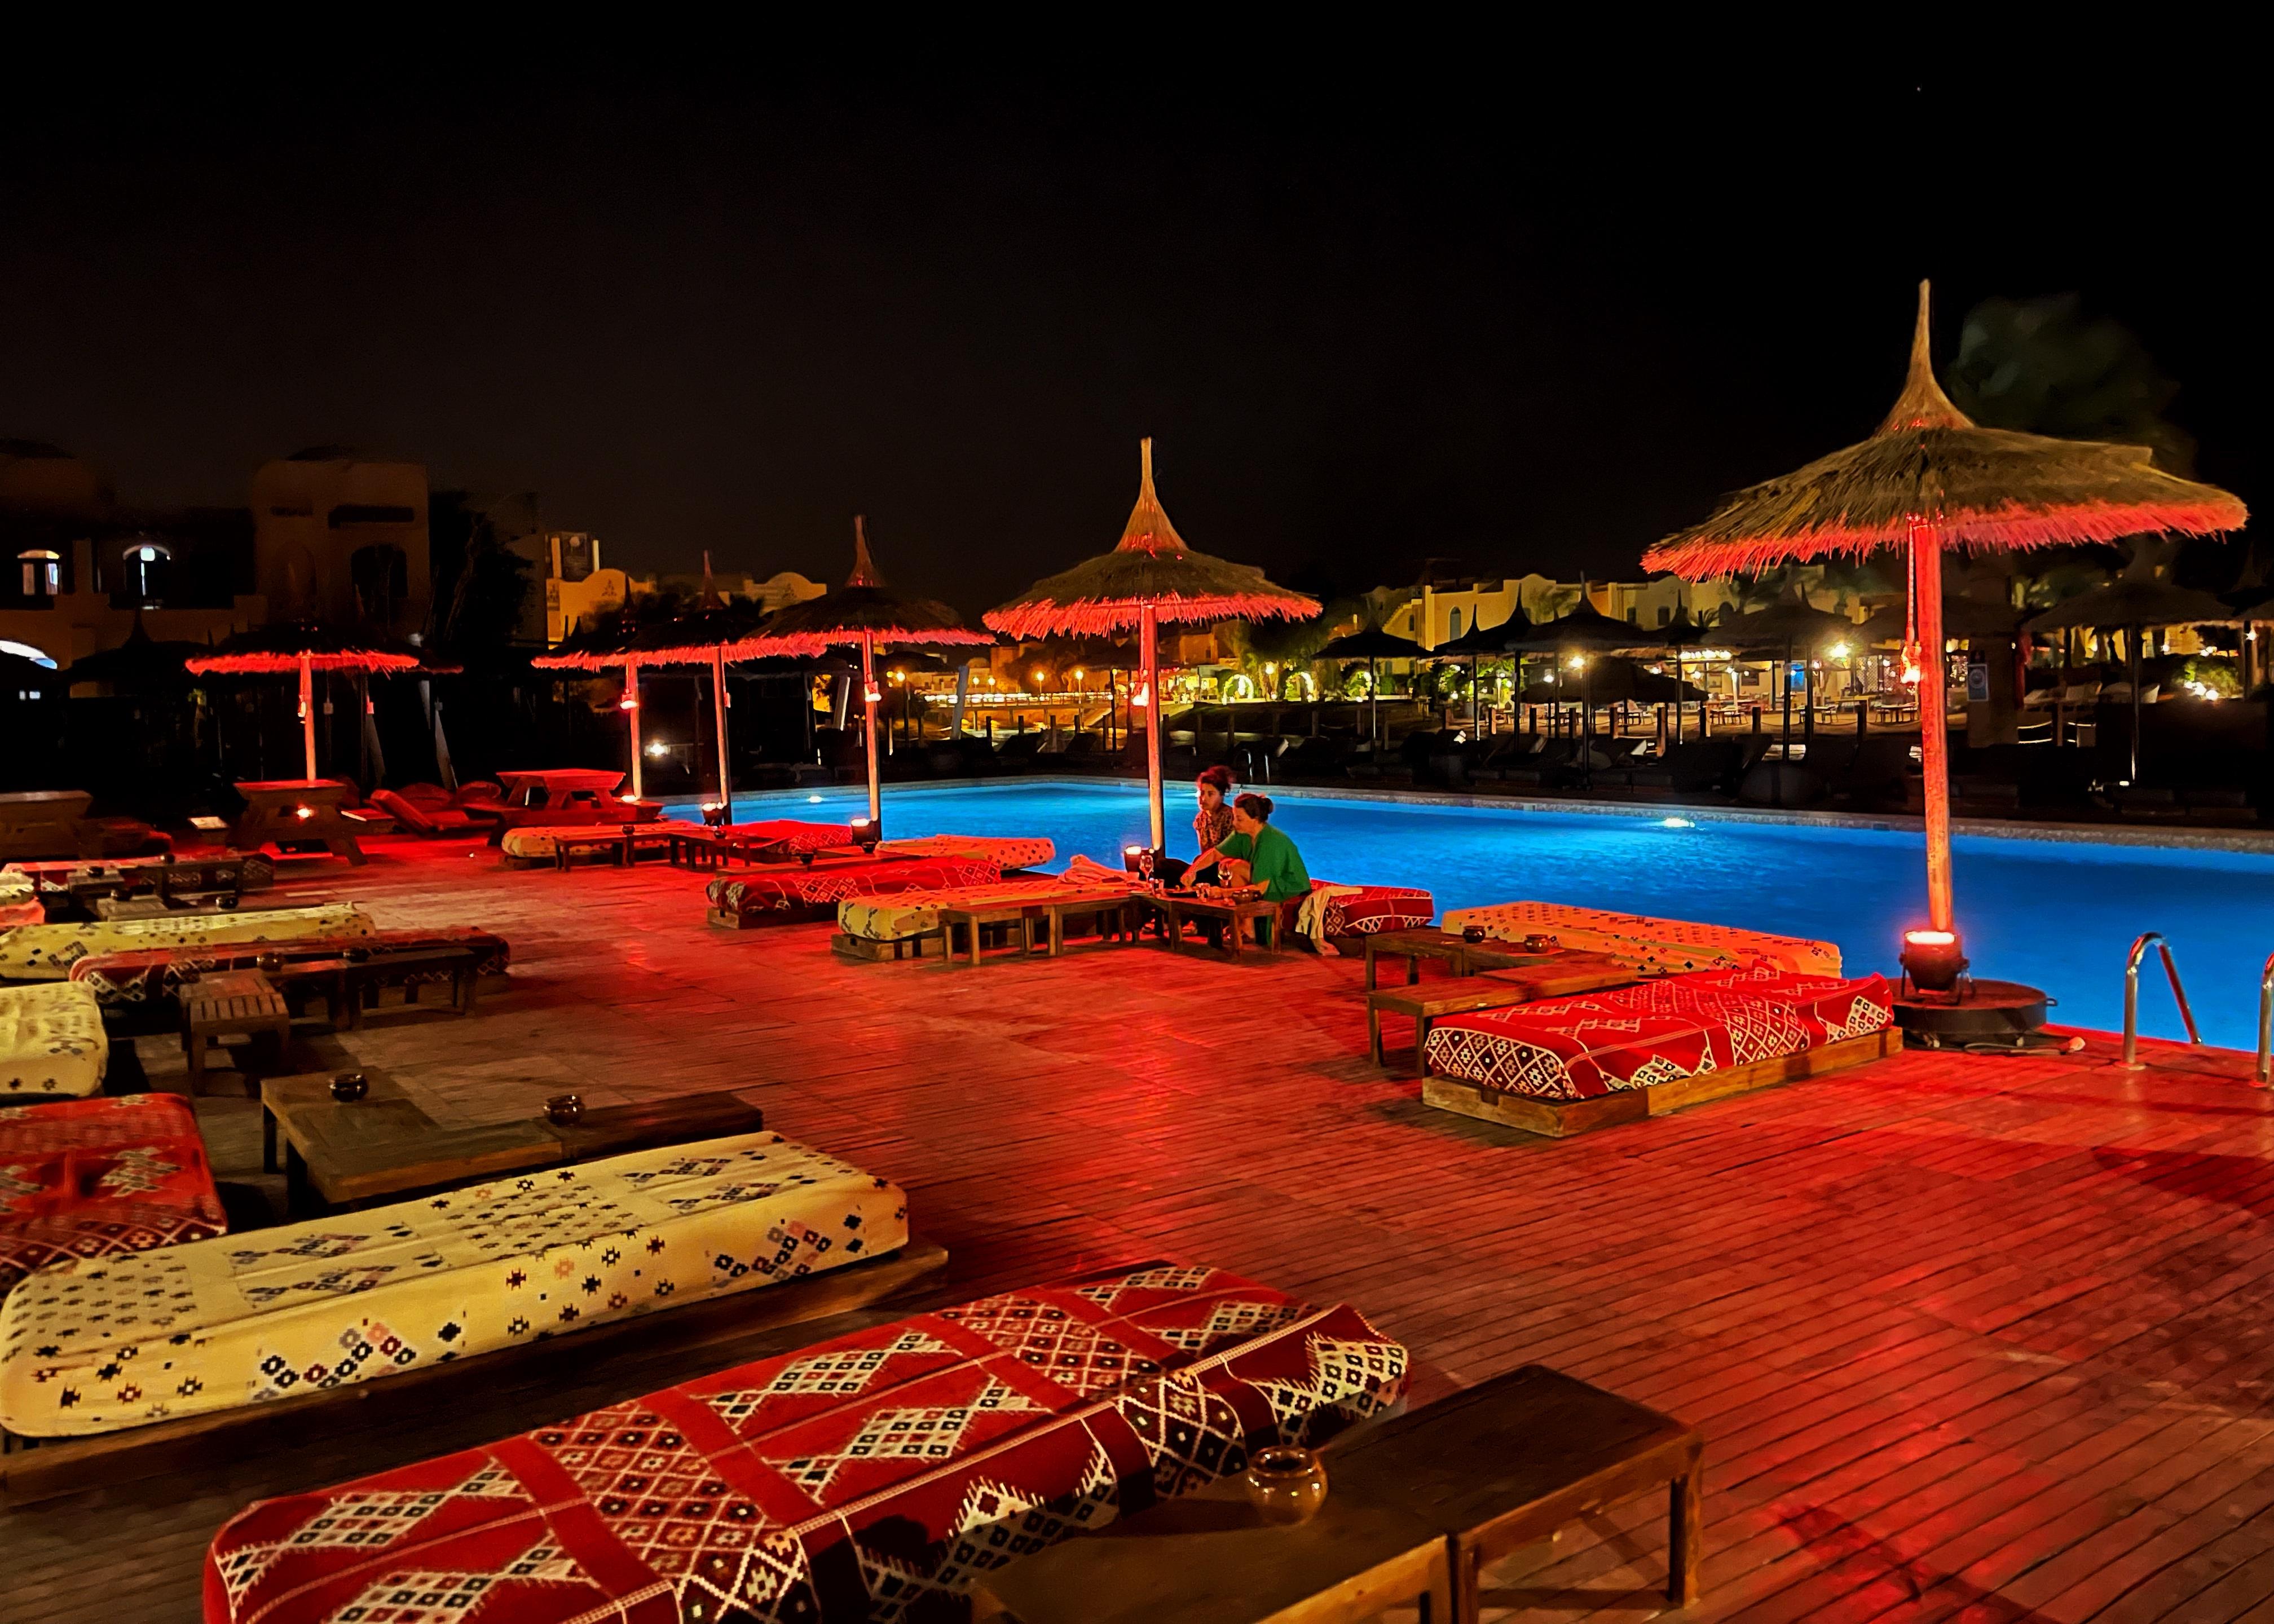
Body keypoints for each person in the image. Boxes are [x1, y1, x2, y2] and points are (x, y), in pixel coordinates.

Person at [1203, 795, 1312, 944]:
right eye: (1235, 818)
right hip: (1267, 882)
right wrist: (1191, 872)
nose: (1235, 823)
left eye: (1240, 819)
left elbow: (1261, 887)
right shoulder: (1244, 834)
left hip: (1286, 886)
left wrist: (1223, 893)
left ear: (1255, 819)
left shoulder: (1270, 841)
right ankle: (1247, 928)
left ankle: (1247, 928)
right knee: (1233, 866)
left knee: (1236, 869)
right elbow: (1216, 854)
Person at [1157, 765, 1235, 886]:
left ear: (1221, 796)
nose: (1204, 799)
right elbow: (1203, 852)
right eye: (1202, 793)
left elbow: (1229, 854)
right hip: (1203, 866)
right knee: (1162, 865)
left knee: (1204, 869)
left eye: (1211, 794)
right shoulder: (1200, 819)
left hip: (1222, 869)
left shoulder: (1230, 816)